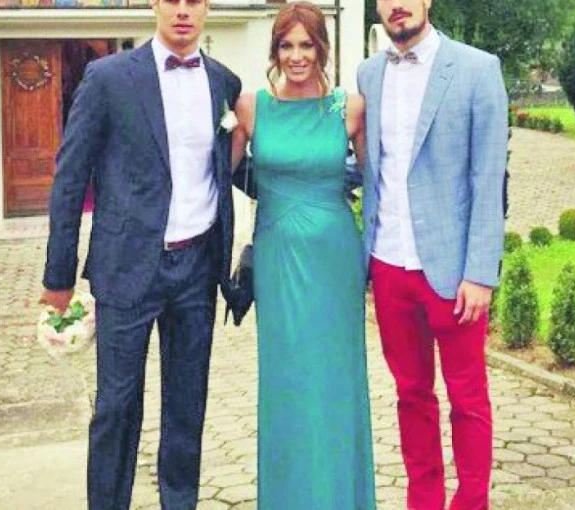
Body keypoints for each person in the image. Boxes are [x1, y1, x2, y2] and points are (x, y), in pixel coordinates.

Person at [39, 0, 241, 507]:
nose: (183, 11)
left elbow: (231, 166)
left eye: (194, 1)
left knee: (187, 406)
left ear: (207, 9)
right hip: (127, 268)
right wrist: (59, 276)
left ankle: (180, 501)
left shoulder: (223, 81)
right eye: (172, 0)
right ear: (154, 5)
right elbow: (70, 177)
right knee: (117, 406)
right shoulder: (108, 79)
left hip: (197, 267)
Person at [357, 0, 509, 508]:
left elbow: (488, 177)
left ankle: (471, 501)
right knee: (411, 395)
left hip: (453, 271)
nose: (397, 5)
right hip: (388, 263)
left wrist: (481, 272)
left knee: (468, 398)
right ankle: (423, 500)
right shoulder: (368, 74)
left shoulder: (477, 69)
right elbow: (369, 167)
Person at [230, 2, 376, 508]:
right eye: (287, 45)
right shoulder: (250, 108)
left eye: (306, 45)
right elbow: (211, 178)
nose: (296, 56)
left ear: (322, 49)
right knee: (287, 380)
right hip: (277, 259)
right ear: (275, 51)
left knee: (335, 380)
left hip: (335, 261)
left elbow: (380, 185)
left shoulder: (350, 108)